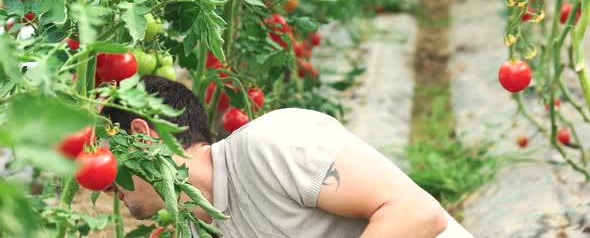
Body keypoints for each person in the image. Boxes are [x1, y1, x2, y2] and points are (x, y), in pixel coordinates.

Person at [102, 76, 473, 238]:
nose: (103, 186)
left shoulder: (271, 144)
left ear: (142, 137)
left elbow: (418, 215)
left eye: (110, 156)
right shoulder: (200, 227)